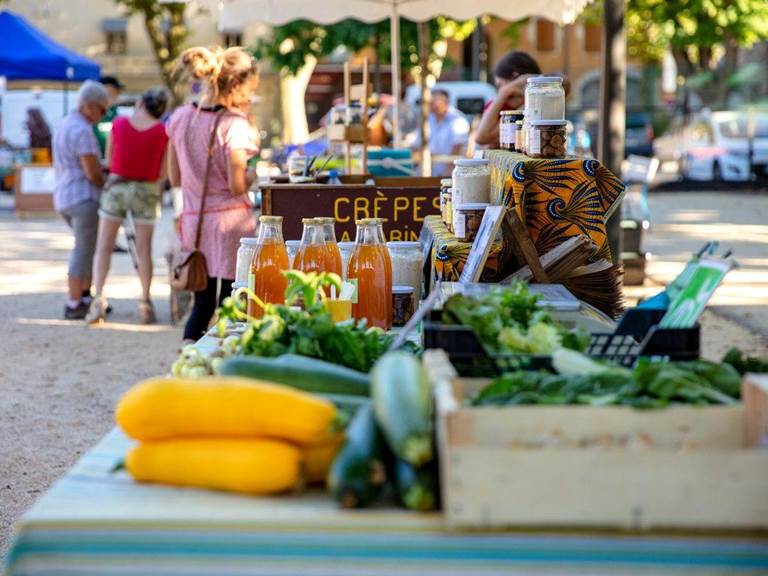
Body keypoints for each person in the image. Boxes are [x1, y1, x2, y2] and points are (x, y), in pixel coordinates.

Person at [167, 46, 260, 343]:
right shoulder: (234, 124)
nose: (248, 97)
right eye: (249, 90)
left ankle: (187, 362)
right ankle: (221, 365)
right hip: (231, 224)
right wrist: (255, 173)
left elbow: (175, 176)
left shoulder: (182, 117)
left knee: (202, 303)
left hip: (195, 223)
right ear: (235, 85)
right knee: (230, 304)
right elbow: (236, 185)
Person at [86, 88, 171, 325]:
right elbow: (163, 172)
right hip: (147, 191)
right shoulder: (163, 132)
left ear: (141, 102)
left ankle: (99, 299)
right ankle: (145, 302)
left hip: (117, 188)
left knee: (104, 246)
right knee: (144, 250)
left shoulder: (119, 124)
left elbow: (110, 161)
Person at [52, 80, 108, 319]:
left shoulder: (65, 123)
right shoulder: (82, 130)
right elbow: (92, 173)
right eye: (102, 109)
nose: (103, 115)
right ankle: (74, 302)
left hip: (65, 195)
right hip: (83, 197)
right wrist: (107, 181)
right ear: (90, 106)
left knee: (86, 248)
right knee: (83, 251)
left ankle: (84, 296)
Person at [474, 51, 542, 147]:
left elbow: (481, 137)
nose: (499, 91)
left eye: (500, 85)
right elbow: (481, 139)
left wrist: (505, 91)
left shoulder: (538, 103)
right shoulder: (498, 106)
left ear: (516, 77)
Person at [414, 89, 470, 176]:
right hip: (429, 171)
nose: (430, 103)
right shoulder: (428, 119)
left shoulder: (458, 120)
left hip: (451, 174)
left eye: (434, 100)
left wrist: (447, 173)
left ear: (445, 102)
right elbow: (417, 144)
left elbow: (457, 149)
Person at [94, 75, 124, 157]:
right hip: (99, 160)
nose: (118, 94)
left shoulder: (114, 111)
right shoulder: (96, 114)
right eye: (115, 91)